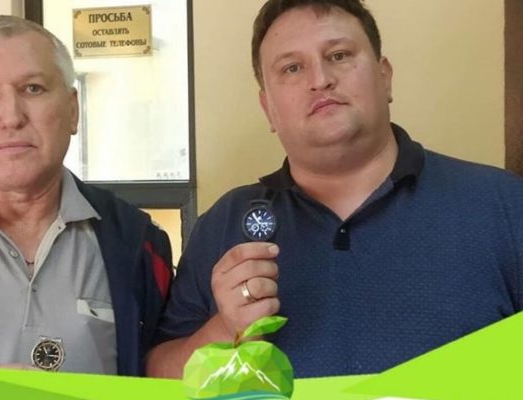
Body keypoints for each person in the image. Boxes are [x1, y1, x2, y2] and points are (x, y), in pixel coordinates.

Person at [146, 0, 523, 378]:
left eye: (339, 55)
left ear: (385, 77)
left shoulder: (504, 205)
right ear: (268, 108)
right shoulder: (223, 225)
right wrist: (225, 330)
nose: (320, 79)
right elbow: (157, 377)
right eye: (292, 68)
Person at [0, 15, 173, 376]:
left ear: (72, 110)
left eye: (33, 88)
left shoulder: (139, 243)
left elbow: (163, 375)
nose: (12, 116)